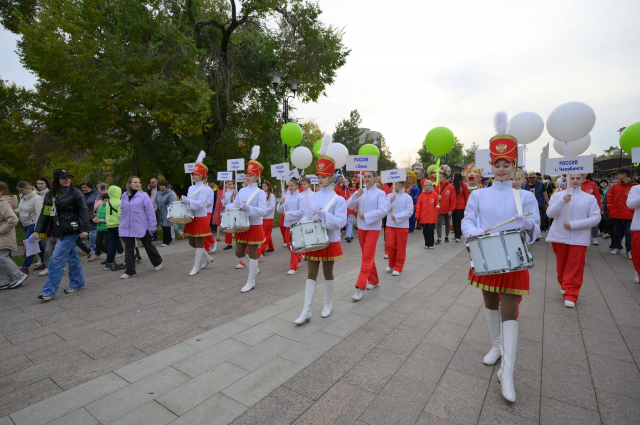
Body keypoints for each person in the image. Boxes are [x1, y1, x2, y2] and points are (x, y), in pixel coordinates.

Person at [461, 114, 541, 403]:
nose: (502, 168)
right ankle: (496, 347)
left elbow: (537, 229)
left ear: (514, 166)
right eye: (497, 164)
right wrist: (473, 230)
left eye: (507, 164)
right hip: (486, 256)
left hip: (515, 259)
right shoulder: (479, 195)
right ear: (491, 165)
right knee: (489, 302)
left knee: (510, 310)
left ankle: (507, 371)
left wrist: (528, 224)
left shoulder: (525, 197)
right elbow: (467, 221)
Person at [294, 142, 347, 323]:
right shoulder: (312, 196)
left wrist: (325, 216)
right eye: (318, 175)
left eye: (323, 176)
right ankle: (306, 310)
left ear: (331, 178)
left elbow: (340, 222)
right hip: (313, 239)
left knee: (327, 274)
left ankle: (327, 303)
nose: (319, 179)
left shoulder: (338, 199)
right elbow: (305, 217)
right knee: (310, 274)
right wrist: (299, 233)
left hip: (330, 240)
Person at [33, 170, 91, 301]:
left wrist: (85, 229)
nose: (67, 180)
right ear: (56, 180)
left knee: (56, 259)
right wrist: (37, 230)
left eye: (68, 178)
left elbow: (83, 211)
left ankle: (49, 291)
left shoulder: (76, 192)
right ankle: (78, 283)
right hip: (58, 231)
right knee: (72, 256)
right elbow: (45, 214)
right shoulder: (50, 195)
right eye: (63, 178)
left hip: (72, 229)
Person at [546, 174, 600, 307]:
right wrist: (562, 201)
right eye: (572, 178)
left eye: (578, 178)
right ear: (567, 179)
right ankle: (564, 284)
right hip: (559, 236)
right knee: (562, 265)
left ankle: (571, 293)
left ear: (583, 179)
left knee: (576, 266)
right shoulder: (558, 195)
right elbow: (550, 214)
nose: (575, 181)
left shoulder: (589, 198)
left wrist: (575, 225)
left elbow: (596, 218)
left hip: (579, 237)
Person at [225, 146, 267, 292]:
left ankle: (251, 280)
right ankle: (254, 270)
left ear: (257, 177)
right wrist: (227, 207)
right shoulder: (242, 190)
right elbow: (236, 204)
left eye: (250, 175)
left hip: (254, 225)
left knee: (253, 253)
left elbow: (263, 211)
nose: (247, 177)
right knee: (239, 252)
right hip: (241, 225)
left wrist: (248, 208)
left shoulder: (260, 193)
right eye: (246, 175)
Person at [347, 170, 388, 301]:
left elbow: (383, 211)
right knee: (367, 256)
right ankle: (374, 280)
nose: (366, 178)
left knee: (366, 257)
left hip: (373, 228)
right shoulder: (360, 191)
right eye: (365, 177)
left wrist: (366, 216)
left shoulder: (380, 193)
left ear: (375, 178)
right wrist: (355, 196)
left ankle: (360, 287)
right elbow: (348, 205)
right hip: (361, 228)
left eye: (369, 176)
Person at [118, 176, 163, 279]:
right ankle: (130, 271)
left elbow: (150, 212)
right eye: (135, 182)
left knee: (148, 245)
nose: (138, 184)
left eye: (139, 182)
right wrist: (121, 222)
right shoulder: (124, 195)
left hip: (141, 225)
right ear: (130, 184)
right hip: (127, 227)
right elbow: (122, 211)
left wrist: (152, 225)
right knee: (129, 248)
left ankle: (158, 261)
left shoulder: (143, 196)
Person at [180, 152, 214, 275]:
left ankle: (196, 266)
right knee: (191, 242)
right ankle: (208, 258)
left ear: (202, 176)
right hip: (191, 218)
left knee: (199, 243)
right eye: (193, 174)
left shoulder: (205, 189)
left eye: (196, 174)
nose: (193, 176)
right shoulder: (190, 188)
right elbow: (191, 203)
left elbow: (201, 204)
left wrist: (188, 201)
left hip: (200, 217)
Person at [0, 182, 29, 289]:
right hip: (2, 235)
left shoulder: (3, 203)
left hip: (4, 235)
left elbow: (13, 219)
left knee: (3, 257)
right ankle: (8, 280)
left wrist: (0, 230)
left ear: (2, 191)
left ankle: (19, 275)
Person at [15, 181, 45, 274]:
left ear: (28, 188)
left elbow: (40, 214)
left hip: (33, 224)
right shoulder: (22, 197)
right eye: (19, 191)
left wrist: (37, 230)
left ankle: (25, 267)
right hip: (24, 224)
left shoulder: (37, 199)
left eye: (22, 190)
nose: (20, 192)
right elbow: (21, 209)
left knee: (30, 244)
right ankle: (46, 262)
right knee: (37, 244)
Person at [276, 177, 305, 275]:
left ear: (297, 186)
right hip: (288, 224)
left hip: (296, 224)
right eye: (289, 186)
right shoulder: (286, 197)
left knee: (294, 245)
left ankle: (293, 267)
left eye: (292, 185)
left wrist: (287, 214)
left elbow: (301, 212)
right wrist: (281, 202)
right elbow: (279, 210)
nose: (290, 187)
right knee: (289, 244)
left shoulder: (300, 197)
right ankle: (300, 257)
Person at [385, 180, 413, 276]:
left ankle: (398, 267)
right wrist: (390, 201)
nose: (393, 185)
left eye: (395, 183)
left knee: (401, 247)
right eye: (393, 183)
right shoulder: (389, 196)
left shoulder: (407, 197)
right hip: (390, 224)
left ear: (401, 184)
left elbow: (410, 211)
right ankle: (391, 264)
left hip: (402, 225)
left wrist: (397, 216)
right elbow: (384, 209)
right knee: (390, 245)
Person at [607, 168, 637, 259]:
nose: (616, 176)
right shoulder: (615, 186)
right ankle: (616, 247)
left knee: (629, 232)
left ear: (624, 175)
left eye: (618, 174)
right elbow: (609, 197)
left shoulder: (635, 186)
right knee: (616, 232)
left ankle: (629, 250)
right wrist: (610, 207)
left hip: (630, 213)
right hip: (616, 213)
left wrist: (633, 210)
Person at [104, 184, 125, 269]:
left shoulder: (108, 202)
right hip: (118, 225)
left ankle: (109, 262)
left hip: (110, 225)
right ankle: (128, 259)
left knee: (112, 244)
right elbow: (121, 215)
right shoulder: (119, 202)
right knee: (127, 243)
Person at [79, 181, 99, 260]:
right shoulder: (81, 194)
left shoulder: (96, 193)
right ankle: (92, 250)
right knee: (90, 234)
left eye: (85, 187)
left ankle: (93, 250)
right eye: (82, 188)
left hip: (93, 216)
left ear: (90, 187)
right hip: (84, 217)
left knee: (92, 234)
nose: (84, 189)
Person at [435, 165, 454, 244]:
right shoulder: (437, 187)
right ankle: (439, 238)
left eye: (441, 177)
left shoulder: (450, 187)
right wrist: (437, 197)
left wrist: (451, 210)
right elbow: (434, 197)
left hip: (447, 209)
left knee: (447, 223)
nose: (439, 178)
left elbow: (453, 200)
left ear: (445, 178)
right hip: (439, 209)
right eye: (439, 177)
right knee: (438, 223)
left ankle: (446, 236)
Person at [581, 173, 602, 245]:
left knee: (594, 223)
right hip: (580, 208)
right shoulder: (574, 183)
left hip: (591, 208)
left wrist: (599, 209)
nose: (583, 174)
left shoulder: (593, 184)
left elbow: (597, 198)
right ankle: (583, 238)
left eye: (585, 172)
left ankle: (595, 237)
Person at [416, 180, 438, 248]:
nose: (427, 187)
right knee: (425, 231)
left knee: (430, 230)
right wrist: (417, 215)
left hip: (432, 216)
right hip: (424, 216)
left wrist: (439, 200)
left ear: (431, 186)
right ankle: (426, 243)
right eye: (425, 185)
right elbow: (418, 206)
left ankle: (431, 243)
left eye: (428, 185)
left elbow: (437, 205)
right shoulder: (422, 195)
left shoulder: (435, 194)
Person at [154, 180, 176, 247]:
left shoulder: (169, 194)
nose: (161, 187)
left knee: (166, 226)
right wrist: (155, 206)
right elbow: (155, 201)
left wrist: (165, 207)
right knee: (164, 226)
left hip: (166, 212)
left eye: (163, 185)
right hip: (160, 212)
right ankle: (169, 238)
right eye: (160, 185)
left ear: (166, 186)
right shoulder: (158, 193)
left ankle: (165, 242)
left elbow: (171, 203)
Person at [259, 180, 276, 255]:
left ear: (268, 187)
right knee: (266, 233)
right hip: (262, 217)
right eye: (262, 186)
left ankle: (261, 250)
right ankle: (271, 247)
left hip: (268, 217)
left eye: (265, 186)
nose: (263, 187)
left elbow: (271, 207)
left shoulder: (272, 196)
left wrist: (263, 212)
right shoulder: (261, 195)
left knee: (266, 234)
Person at [452, 172, 469, 242]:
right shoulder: (452, 185)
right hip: (453, 207)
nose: (452, 177)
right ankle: (456, 235)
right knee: (454, 221)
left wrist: (467, 206)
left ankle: (458, 236)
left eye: (453, 176)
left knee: (459, 222)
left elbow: (466, 196)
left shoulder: (463, 185)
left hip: (461, 207)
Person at [203, 177, 217, 254]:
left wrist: (200, 204)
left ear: (205, 179)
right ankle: (206, 247)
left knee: (205, 229)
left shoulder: (209, 190)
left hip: (207, 211)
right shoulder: (197, 189)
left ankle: (212, 242)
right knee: (202, 230)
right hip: (199, 212)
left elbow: (209, 202)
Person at [222, 180, 235, 250]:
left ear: (234, 185)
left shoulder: (236, 192)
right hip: (227, 211)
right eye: (228, 184)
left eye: (230, 184)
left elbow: (236, 203)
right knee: (227, 227)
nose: (229, 185)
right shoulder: (226, 193)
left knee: (236, 226)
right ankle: (229, 243)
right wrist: (223, 198)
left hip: (234, 211)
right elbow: (223, 204)